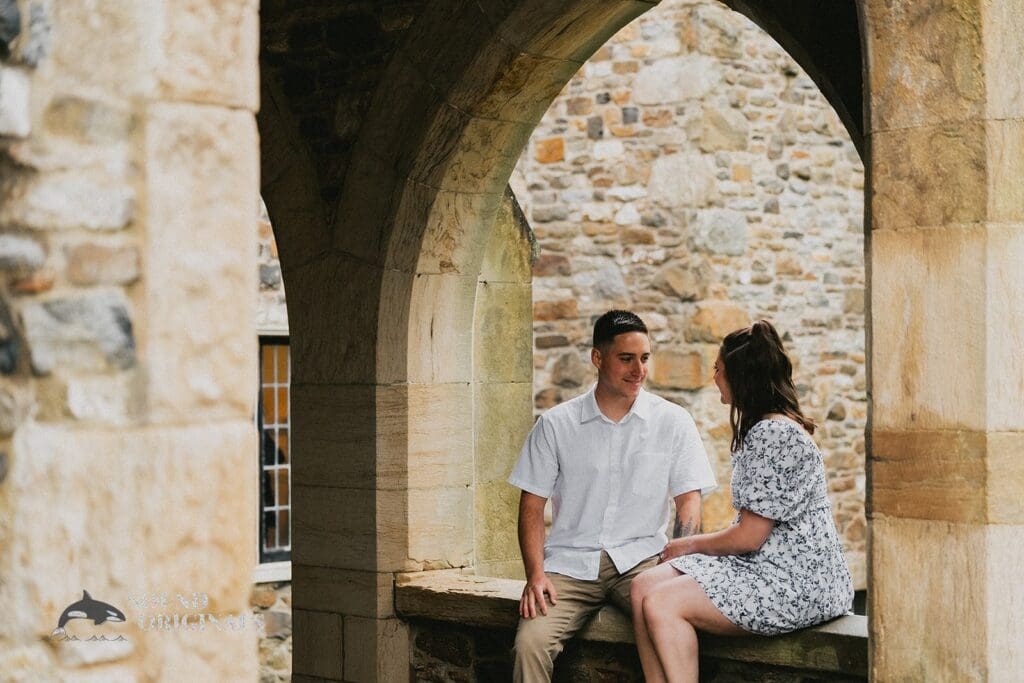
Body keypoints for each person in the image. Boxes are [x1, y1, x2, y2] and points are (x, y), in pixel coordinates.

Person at [629, 319, 854, 682]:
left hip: (796, 580)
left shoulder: (773, 434)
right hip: (766, 563)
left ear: (739, 377)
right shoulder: (766, 426)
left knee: (662, 603)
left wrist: (688, 544)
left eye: (719, 369)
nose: (714, 376)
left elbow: (750, 537)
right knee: (642, 586)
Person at [508, 310, 716, 682]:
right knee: (530, 644)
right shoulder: (556, 425)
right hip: (570, 565)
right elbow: (532, 506)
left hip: (642, 560)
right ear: (597, 358)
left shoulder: (673, 421)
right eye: (626, 358)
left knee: (678, 631)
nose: (639, 370)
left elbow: (689, 498)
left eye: (645, 358)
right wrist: (536, 574)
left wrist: (676, 564)